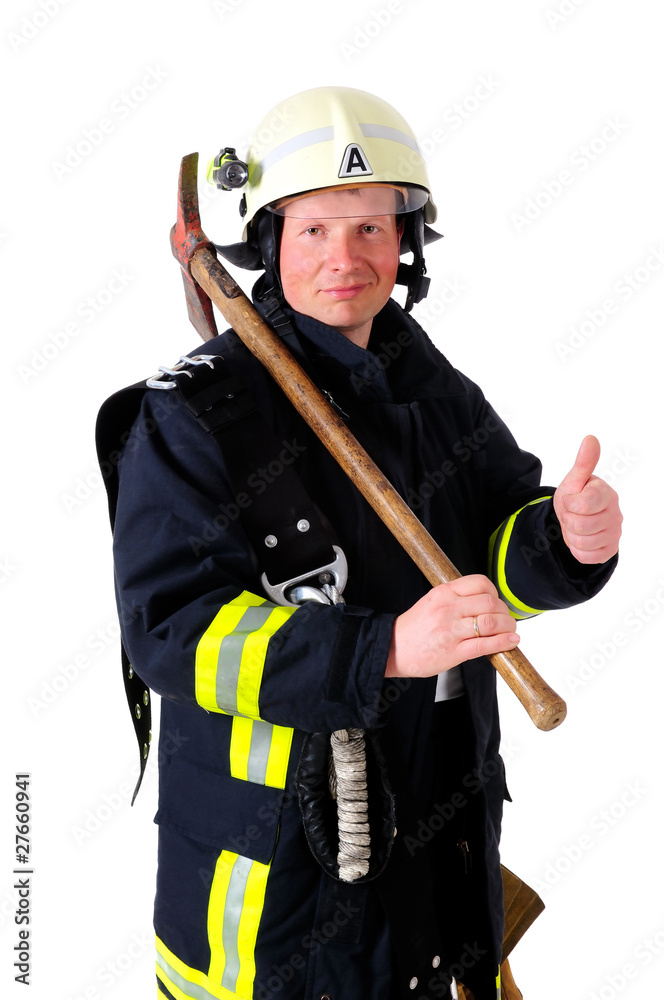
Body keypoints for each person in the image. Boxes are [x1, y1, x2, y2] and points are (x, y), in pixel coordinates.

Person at [96, 87, 622, 1000]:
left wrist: (563, 539)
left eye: (371, 228)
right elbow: (174, 632)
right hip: (275, 909)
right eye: (314, 231)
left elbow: (492, 552)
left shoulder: (433, 391)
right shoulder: (193, 416)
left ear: (406, 241)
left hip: (437, 860)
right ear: (268, 242)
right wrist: (382, 650)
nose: (346, 259)